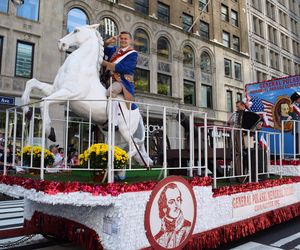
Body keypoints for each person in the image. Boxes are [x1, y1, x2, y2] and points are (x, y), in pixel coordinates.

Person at [101, 31, 138, 131]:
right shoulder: (114, 50)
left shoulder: (133, 54)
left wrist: (105, 64)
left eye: (126, 39)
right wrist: (107, 42)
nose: (123, 40)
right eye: (121, 38)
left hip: (122, 81)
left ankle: (114, 122)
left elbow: (124, 68)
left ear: (130, 41)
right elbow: (101, 49)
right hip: (107, 79)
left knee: (111, 91)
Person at [154, 183, 191, 248]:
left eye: (178, 200)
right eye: (171, 202)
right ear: (163, 207)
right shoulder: (157, 238)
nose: (177, 205)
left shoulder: (188, 227)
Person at [228, 101, 247, 182]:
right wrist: (231, 121)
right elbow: (229, 122)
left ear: (243, 106)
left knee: (241, 152)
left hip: (244, 134)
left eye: (238, 106)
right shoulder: (235, 114)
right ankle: (238, 174)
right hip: (236, 132)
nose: (237, 108)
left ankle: (243, 174)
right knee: (237, 152)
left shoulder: (247, 113)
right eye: (236, 106)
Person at [290, 92, 300, 157]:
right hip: (296, 126)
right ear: (296, 99)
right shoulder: (292, 106)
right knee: (297, 140)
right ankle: (297, 154)